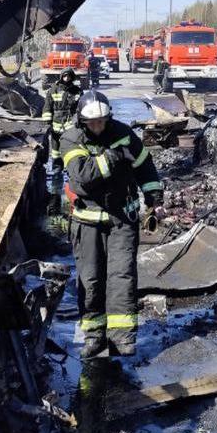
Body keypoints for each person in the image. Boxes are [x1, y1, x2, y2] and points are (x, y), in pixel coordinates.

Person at [60, 90, 163, 358]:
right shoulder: (72, 138)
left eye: (102, 121)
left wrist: (153, 195)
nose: (98, 126)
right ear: (82, 122)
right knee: (91, 280)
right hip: (88, 222)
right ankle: (94, 337)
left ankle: (122, 339)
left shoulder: (124, 134)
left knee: (122, 278)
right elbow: (82, 177)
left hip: (122, 220)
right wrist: (114, 158)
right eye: (92, 123)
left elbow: (144, 166)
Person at [40, 68, 82, 210]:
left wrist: (77, 124)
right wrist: (47, 123)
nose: (66, 78)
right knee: (56, 154)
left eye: (69, 75)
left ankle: (72, 177)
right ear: (61, 76)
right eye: (64, 75)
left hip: (71, 130)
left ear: (72, 77)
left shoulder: (77, 91)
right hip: (56, 129)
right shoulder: (53, 90)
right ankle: (55, 187)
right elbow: (47, 107)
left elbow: (79, 109)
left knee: (72, 154)